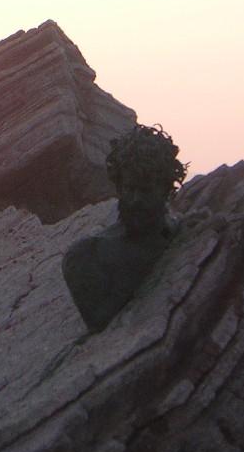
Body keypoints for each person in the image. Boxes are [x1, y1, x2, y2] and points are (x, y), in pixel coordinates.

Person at [62, 124, 187, 331]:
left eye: (146, 190)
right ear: (119, 187)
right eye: (130, 188)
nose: (136, 199)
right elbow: (98, 319)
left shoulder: (182, 235)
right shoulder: (87, 257)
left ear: (166, 189)